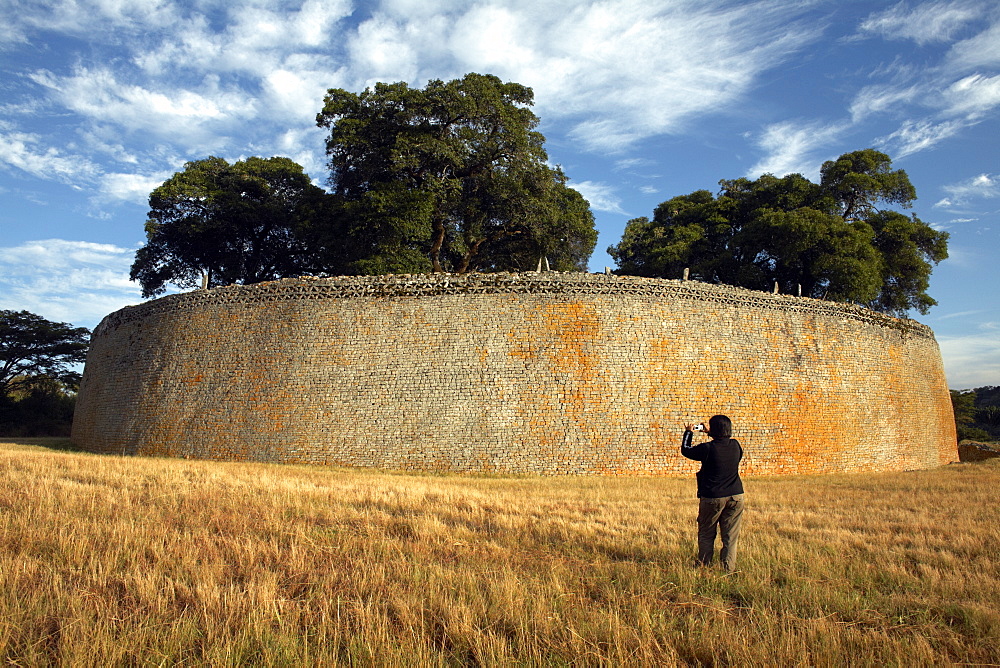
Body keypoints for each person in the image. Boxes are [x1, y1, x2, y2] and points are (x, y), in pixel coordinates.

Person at [681, 415, 745, 573]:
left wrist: (689, 432)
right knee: (730, 536)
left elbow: (686, 450)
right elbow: (723, 442)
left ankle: (703, 565)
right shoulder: (736, 445)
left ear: (714, 429)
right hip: (736, 495)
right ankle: (728, 570)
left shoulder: (708, 449)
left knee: (707, 533)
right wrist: (710, 432)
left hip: (713, 497)